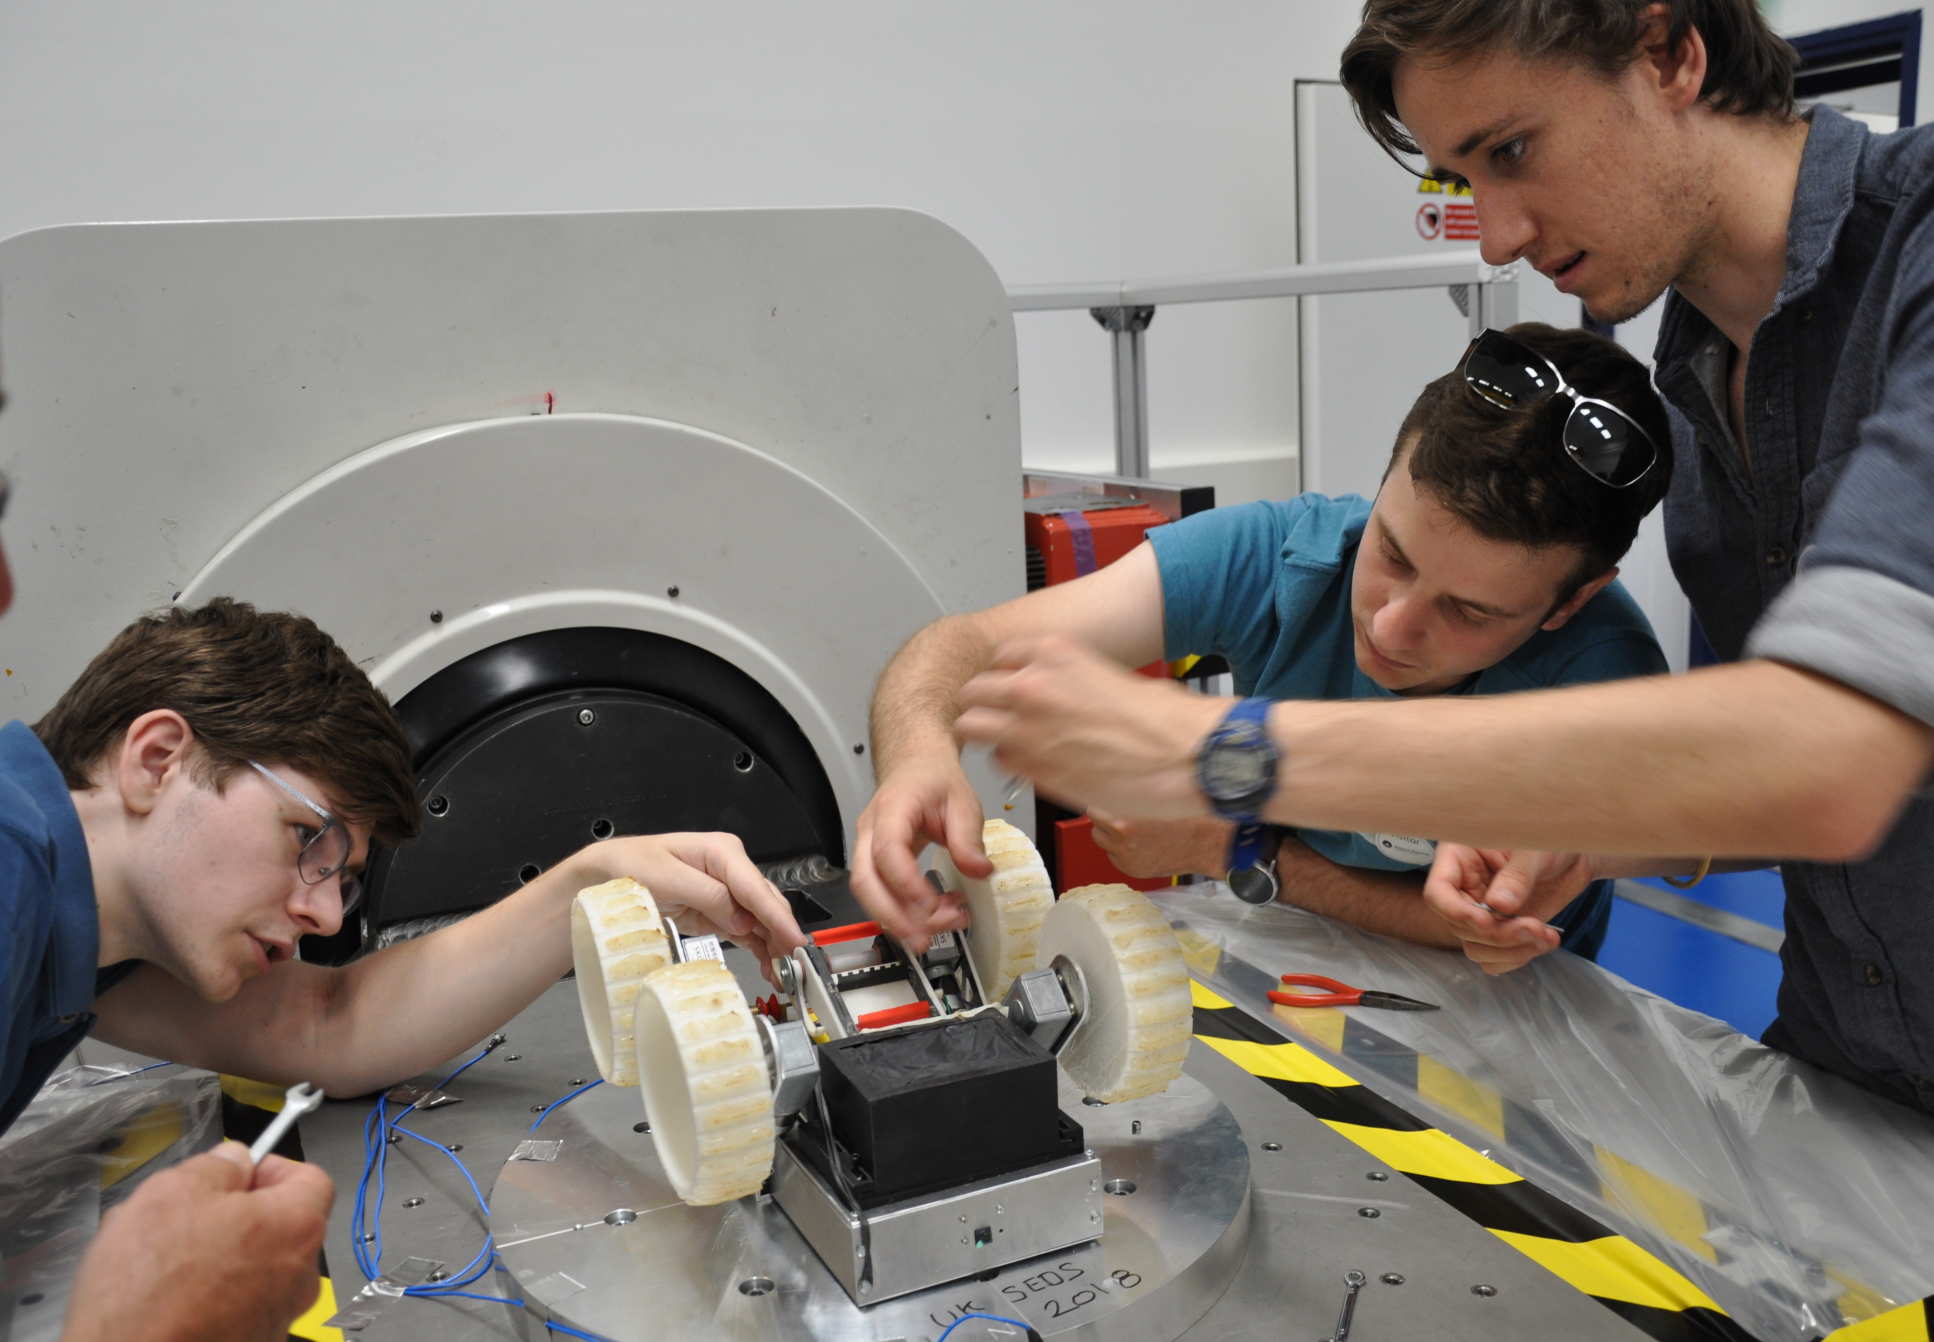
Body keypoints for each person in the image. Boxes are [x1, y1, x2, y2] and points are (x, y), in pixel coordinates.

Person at [953, 0, 1934, 1116]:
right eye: (1460, 180)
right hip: (1854, 1062)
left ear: (1668, 52)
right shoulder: (1698, 379)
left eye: (1510, 152)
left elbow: (1834, 759)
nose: (1498, 236)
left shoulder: (1916, 259)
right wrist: (1584, 835)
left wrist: (1227, 763)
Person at [2, 595, 806, 1339]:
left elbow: (329, 1024)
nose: (321, 916)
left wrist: (587, 886)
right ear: (157, 758)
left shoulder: (90, 928)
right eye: (304, 839)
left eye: (342, 878)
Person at [855, 322, 1671, 962]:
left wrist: (1234, 846)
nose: (1391, 626)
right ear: (1384, 479)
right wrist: (918, 759)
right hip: (1286, 972)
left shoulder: (1603, 683)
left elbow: (1467, 931)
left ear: (1568, 604)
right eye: (1392, 552)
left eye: (1469, 612)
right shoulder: (1284, 557)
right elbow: (954, 647)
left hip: (1508, 1038)